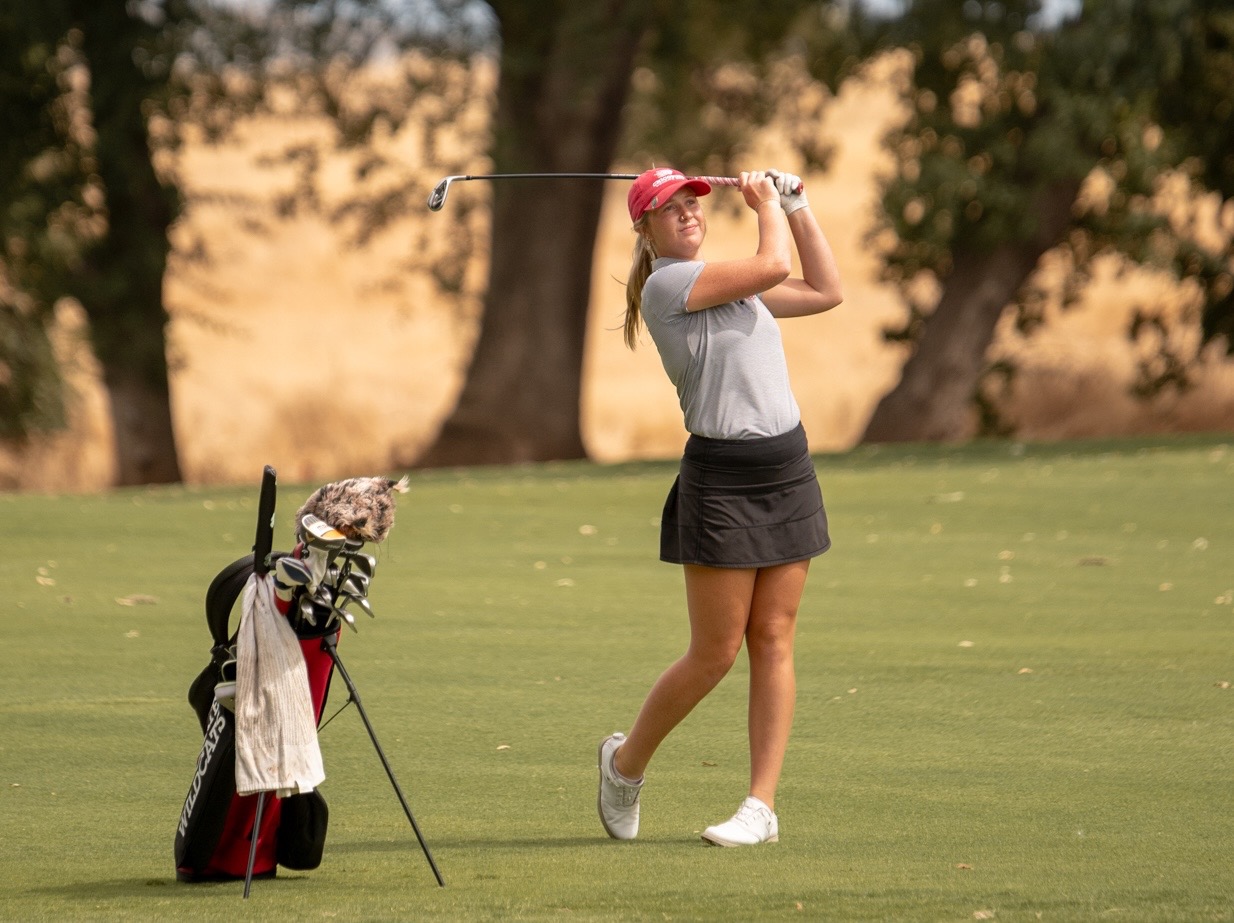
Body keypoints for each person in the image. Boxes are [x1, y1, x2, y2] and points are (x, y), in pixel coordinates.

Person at [597, 166, 843, 847]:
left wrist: (798, 205)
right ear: (644, 228)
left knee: (775, 638)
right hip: (723, 480)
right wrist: (765, 205)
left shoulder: (737, 286)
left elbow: (826, 290)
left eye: (692, 203)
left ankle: (761, 807)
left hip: (786, 468)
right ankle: (624, 765)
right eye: (668, 208)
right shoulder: (668, 285)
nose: (687, 214)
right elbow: (773, 264)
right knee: (714, 653)